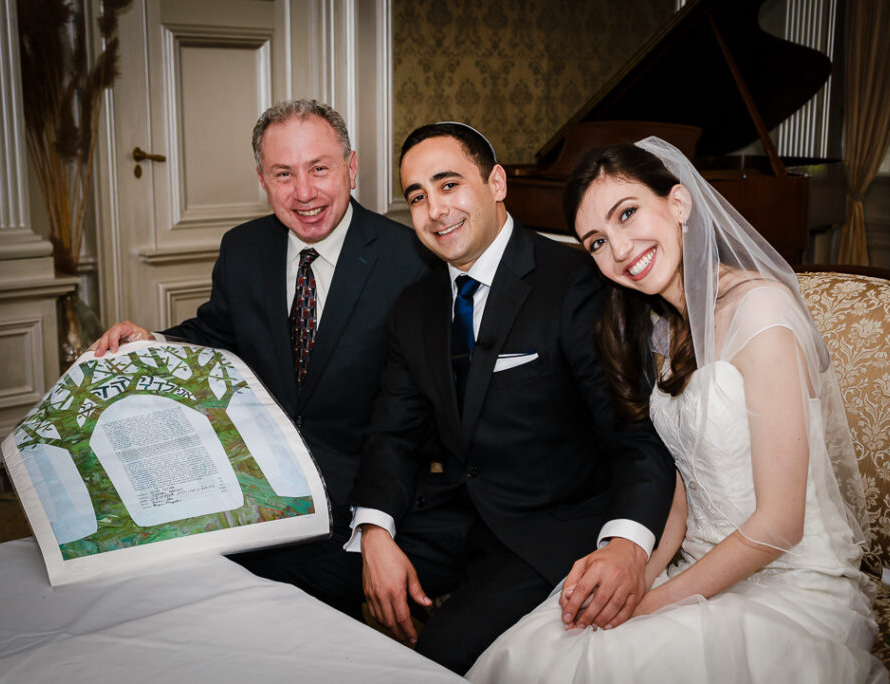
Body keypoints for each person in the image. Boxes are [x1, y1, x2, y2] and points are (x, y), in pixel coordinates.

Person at [467, 137, 887, 683]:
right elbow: (682, 495)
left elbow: (780, 525)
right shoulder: (661, 329)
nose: (618, 249)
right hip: (697, 562)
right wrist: (638, 572)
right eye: (596, 241)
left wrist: (653, 606)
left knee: (610, 662)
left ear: (679, 203)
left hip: (784, 578)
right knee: (542, 644)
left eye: (628, 213)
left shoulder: (761, 313)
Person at [290, 123, 676, 675]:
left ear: (496, 182)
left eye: (449, 185)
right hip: (452, 515)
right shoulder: (415, 306)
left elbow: (634, 436)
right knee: (302, 582)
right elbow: (393, 434)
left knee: (439, 655)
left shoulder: (573, 281)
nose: (435, 209)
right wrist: (375, 531)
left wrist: (627, 545)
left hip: (549, 526)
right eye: (417, 196)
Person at [90, 99, 435, 541]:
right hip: (253, 482)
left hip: (360, 488)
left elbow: (418, 414)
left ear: (352, 169)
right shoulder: (243, 249)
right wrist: (152, 339)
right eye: (283, 174)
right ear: (262, 180)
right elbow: (217, 334)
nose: (304, 192)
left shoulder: (410, 261)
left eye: (319, 169)